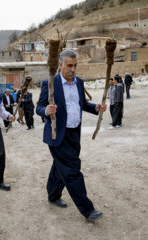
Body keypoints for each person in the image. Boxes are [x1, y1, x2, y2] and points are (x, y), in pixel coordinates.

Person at [36, 49, 107, 222]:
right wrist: (46, 110)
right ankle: (87, 209)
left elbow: (81, 104)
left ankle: (53, 195)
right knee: (71, 171)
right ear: (60, 65)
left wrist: (95, 108)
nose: (73, 69)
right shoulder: (50, 83)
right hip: (56, 133)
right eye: (69, 65)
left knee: (60, 166)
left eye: (75, 66)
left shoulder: (79, 83)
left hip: (74, 132)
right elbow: (39, 107)